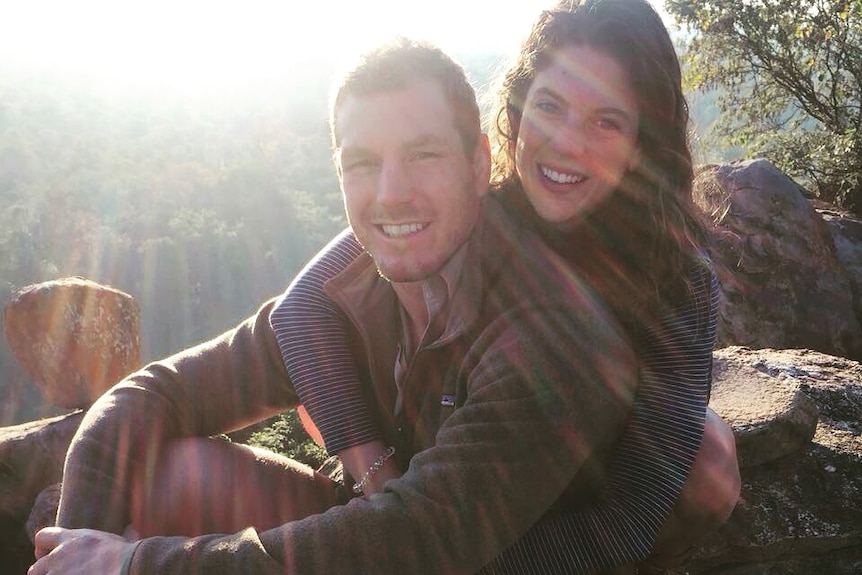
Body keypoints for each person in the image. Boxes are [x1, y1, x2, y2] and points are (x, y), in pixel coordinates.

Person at [30, 38, 639, 575]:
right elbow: (151, 392)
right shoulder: (346, 292)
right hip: (384, 531)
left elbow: (420, 539)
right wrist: (79, 548)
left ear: (479, 163)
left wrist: (138, 564)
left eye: (423, 154)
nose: (391, 193)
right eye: (363, 163)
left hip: (486, 553)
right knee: (174, 473)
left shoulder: (551, 329)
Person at [274, 0, 741, 572]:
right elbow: (300, 310)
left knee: (708, 460)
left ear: (644, 140)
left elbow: (633, 508)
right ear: (516, 112)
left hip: (556, 510)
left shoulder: (675, 281)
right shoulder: (470, 209)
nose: (567, 143)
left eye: (606, 121)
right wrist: (373, 466)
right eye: (549, 106)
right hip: (456, 478)